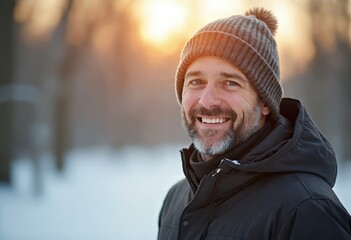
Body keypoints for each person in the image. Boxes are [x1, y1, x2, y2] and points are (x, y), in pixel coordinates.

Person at [157, 7, 351, 240]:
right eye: (196, 81)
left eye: (229, 83)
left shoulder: (306, 209)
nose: (207, 101)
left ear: (265, 103)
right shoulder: (176, 199)